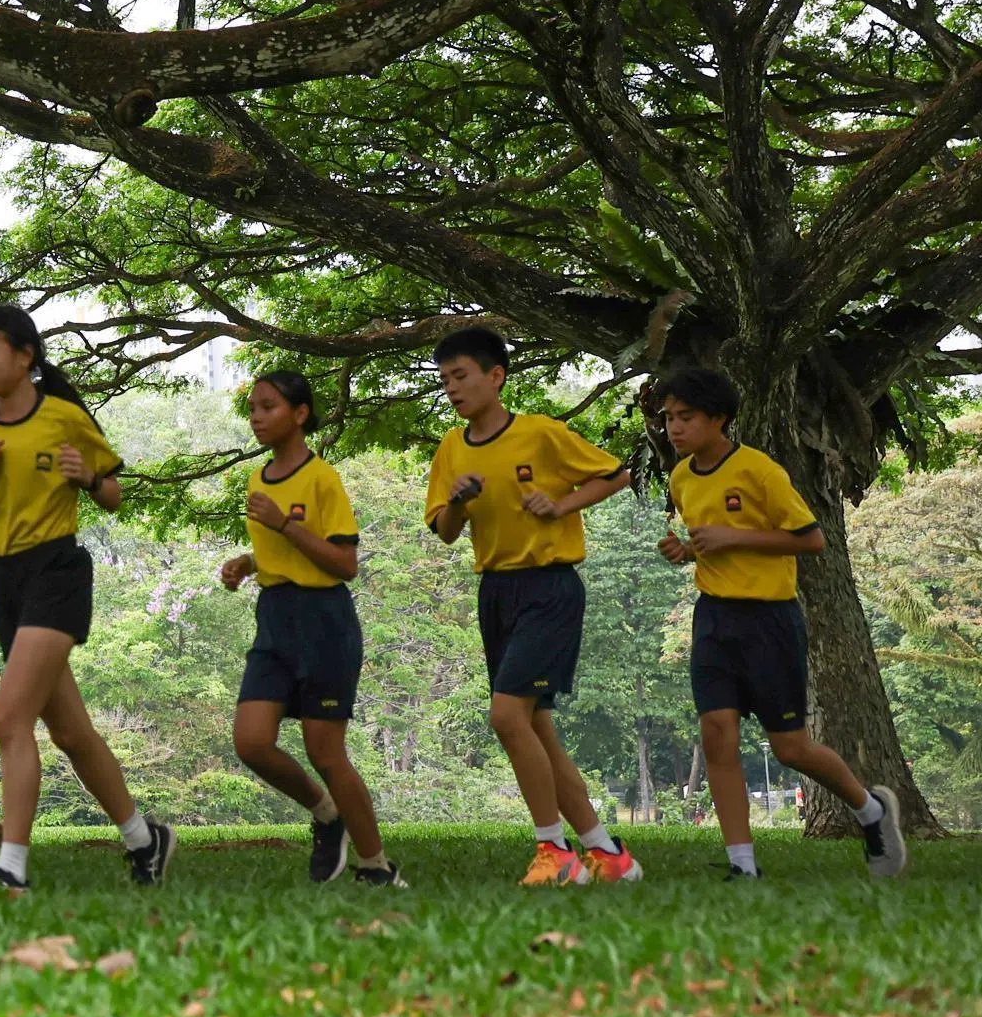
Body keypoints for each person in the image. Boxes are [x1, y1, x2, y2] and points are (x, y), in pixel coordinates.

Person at [0, 304, 173, 893]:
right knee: (70, 732)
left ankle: (11, 869)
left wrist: (88, 477)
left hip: (57, 571)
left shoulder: (65, 418)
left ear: (25, 356)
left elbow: (114, 495)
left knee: (8, 717)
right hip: (4, 579)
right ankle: (146, 840)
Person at [654, 366, 905, 880]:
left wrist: (733, 538)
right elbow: (707, 542)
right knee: (717, 733)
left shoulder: (759, 471)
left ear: (718, 419)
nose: (674, 428)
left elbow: (811, 539)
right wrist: (685, 551)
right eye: (669, 418)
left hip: (770, 619)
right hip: (713, 618)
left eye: (686, 417)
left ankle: (870, 809)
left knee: (790, 748)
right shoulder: (681, 478)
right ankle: (742, 866)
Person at [422, 325, 637, 886]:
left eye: (461, 376)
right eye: (444, 379)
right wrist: (459, 503)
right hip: (496, 592)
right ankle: (608, 856)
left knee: (506, 715)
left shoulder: (541, 434)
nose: (452, 388)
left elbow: (616, 475)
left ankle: (555, 851)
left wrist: (561, 503)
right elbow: (444, 531)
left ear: (496, 377)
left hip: (549, 588)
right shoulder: (451, 448)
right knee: (536, 727)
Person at [218, 370, 401, 887]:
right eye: (252, 407)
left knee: (325, 751)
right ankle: (326, 814)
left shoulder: (323, 478)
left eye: (268, 406)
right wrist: (247, 563)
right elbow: (281, 552)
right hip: (274, 619)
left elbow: (344, 562)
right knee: (251, 742)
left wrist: (283, 524)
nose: (256, 416)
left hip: (324, 621)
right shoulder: (259, 480)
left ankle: (376, 867)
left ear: (300, 414)